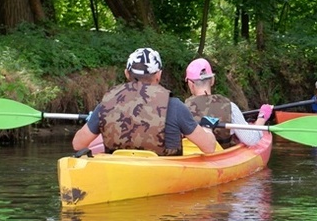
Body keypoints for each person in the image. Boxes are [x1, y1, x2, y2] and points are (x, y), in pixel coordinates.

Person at [72, 47, 217, 156]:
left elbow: (78, 144)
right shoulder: (174, 105)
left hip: (118, 171)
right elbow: (209, 148)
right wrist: (208, 130)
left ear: (127, 73)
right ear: (158, 75)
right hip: (163, 173)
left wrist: (94, 120)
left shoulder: (106, 103)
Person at [183, 58, 273, 148]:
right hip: (221, 155)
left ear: (190, 84)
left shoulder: (181, 109)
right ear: (212, 80)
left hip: (190, 157)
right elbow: (251, 140)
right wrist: (262, 118)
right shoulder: (230, 107)